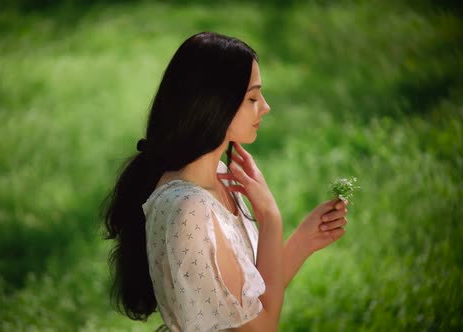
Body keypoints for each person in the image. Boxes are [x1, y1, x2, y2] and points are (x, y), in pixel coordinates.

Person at [102, 32, 349, 332]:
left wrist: (304, 241)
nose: (266, 107)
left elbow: (244, 304)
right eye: (253, 98)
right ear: (215, 105)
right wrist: (269, 218)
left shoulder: (218, 176)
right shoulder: (190, 210)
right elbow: (262, 327)